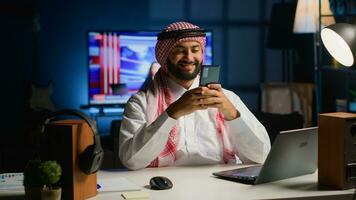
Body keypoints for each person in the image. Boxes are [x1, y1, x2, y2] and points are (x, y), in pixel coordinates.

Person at [119, 22, 271, 170]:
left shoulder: (228, 99)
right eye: (179, 50)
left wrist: (232, 114)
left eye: (195, 49)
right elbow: (132, 161)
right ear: (164, 55)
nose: (189, 57)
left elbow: (261, 157)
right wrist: (172, 113)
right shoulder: (140, 102)